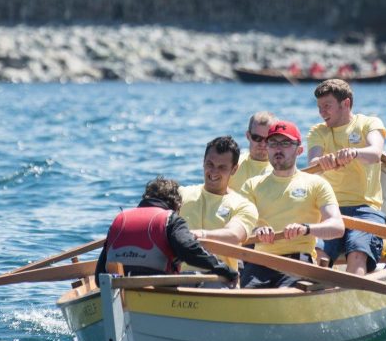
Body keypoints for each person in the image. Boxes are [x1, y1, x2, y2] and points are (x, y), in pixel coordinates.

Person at [239, 120, 344, 288]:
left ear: (299, 150)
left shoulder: (316, 184)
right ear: (267, 148)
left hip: (299, 263)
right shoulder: (252, 185)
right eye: (273, 143)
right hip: (259, 262)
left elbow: (337, 227)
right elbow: (239, 226)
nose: (278, 149)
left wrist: (306, 229)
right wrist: (256, 231)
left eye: (286, 143)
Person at [307, 79, 386, 276]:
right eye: (319, 107)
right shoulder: (318, 131)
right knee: (318, 256)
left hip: (366, 210)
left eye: (327, 106)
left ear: (346, 104)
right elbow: (312, 162)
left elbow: (375, 153)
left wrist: (354, 153)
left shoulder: (369, 123)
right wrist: (321, 161)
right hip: (330, 210)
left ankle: (352, 296)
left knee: (357, 255)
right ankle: (317, 293)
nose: (322, 112)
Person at [95, 176, 239, 285]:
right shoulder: (171, 219)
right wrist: (223, 269)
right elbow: (189, 250)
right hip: (156, 288)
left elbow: (98, 276)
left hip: (116, 286)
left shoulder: (120, 219)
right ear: (176, 204)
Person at [179, 136, 258, 273]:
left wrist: (198, 235)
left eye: (222, 167)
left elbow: (233, 235)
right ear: (203, 162)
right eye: (210, 164)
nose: (214, 172)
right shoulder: (181, 194)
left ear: (234, 169)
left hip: (219, 277)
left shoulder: (244, 206)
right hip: (179, 277)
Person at [228, 111, 276, 191]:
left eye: (268, 139)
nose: (263, 144)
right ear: (248, 136)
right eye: (257, 138)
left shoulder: (282, 169)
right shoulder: (232, 164)